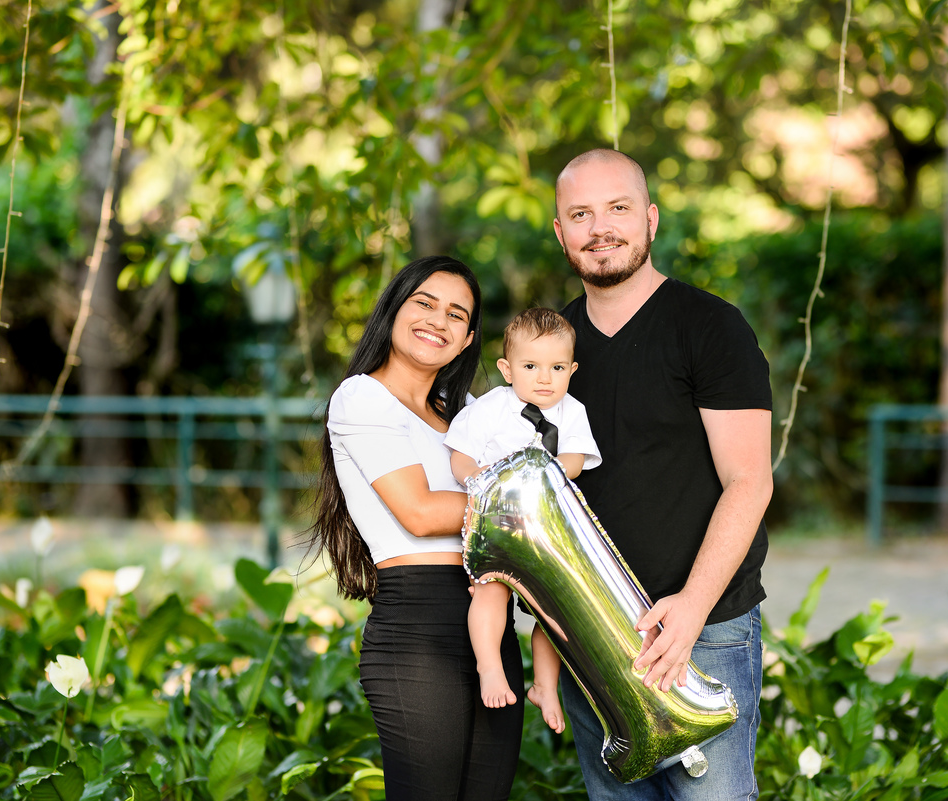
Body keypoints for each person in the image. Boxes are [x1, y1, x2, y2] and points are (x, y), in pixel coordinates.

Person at [554, 149, 773, 800]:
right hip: (593, 632)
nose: (601, 228)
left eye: (618, 208)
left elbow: (750, 480)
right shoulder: (550, 347)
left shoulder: (710, 327)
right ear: (560, 231)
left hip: (703, 629)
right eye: (581, 214)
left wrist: (691, 608)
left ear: (650, 219)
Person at [307, 256, 523, 801]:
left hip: (489, 618)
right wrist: (519, 506)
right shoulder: (361, 397)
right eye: (424, 303)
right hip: (418, 627)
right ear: (394, 309)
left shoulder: (468, 413)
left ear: (468, 337)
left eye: (457, 314)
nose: (438, 321)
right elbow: (421, 514)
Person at [444, 307, 602, 734]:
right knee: (490, 593)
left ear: (572, 370)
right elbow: (461, 456)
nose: (544, 378)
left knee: (554, 611)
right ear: (507, 369)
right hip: (497, 521)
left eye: (556, 368)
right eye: (530, 366)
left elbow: (574, 458)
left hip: (547, 528)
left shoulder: (571, 411)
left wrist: (545, 472)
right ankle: (490, 666)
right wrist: (482, 482)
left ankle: (545, 684)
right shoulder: (491, 409)